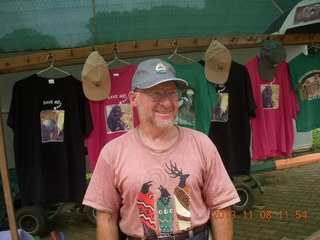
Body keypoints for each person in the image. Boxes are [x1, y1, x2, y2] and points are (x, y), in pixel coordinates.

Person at [83, 58, 240, 240]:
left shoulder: (202, 144)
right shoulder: (112, 152)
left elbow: (221, 205)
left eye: (172, 93)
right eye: (156, 94)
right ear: (133, 99)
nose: (166, 103)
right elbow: (106, 217)